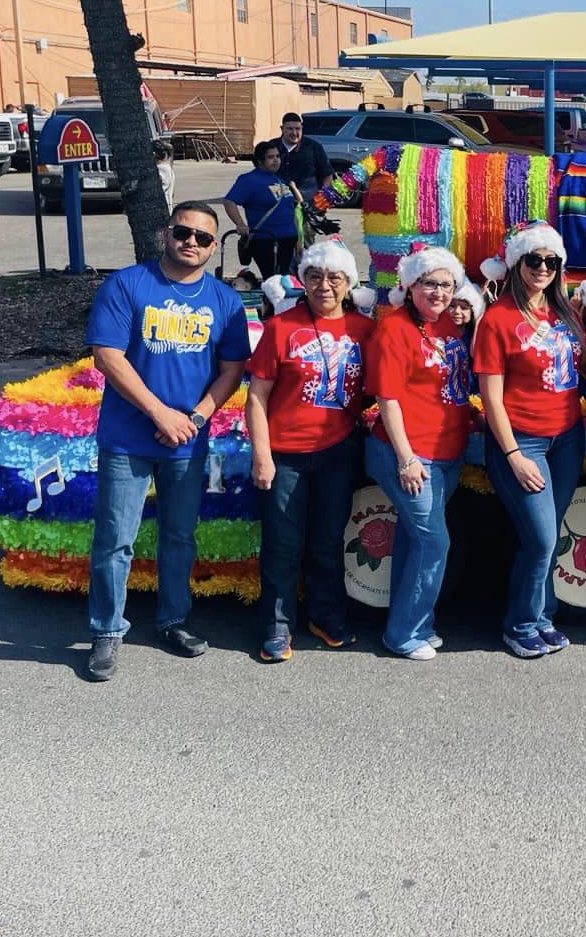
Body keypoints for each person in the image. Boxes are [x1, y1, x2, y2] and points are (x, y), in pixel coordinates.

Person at [82, 202, 250, 682]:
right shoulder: (127, 285)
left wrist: (194, 419)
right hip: (128, 438)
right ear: (166, 234)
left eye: (202, 238)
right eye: (183, 232)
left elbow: (232, 368)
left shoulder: (224, 300)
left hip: (188, 440)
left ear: (214, 247)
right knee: (115, 539)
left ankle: (173, 620)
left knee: (179, 536)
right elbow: (107, 355)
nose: (191, 242)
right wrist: (159, 412)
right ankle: (107, 630)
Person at [246, 240, 376, 663]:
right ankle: (276, 627)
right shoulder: (281, 327)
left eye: (335, 277)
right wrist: (262, 455)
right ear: (303, 280)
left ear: (348, 283)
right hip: (285, 454)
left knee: (327, 540)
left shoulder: (364, 329)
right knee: (283, 545)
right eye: (316, 276)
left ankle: (325, 616)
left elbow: (380, 390)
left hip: (338, 451)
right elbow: (257, 396)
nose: (325, 285)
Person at [475, 220, 585, 659]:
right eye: (534, 260)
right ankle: (519, 624)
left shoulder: (565, 312)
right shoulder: (497, 319)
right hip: (524, 442)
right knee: (540, 539)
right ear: (516, 262)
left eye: (551, 261)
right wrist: (515, 454)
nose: (543, 268)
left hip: (568, 438)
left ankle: (541, 615)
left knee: (548, 535)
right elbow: (491, 399)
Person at [367, 244, 474, 661]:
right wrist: (406, 458)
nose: (438, 292)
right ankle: (403, 634)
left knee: (416, 541)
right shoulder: (394, 328)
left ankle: (416, 623)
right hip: (410, 455)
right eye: (429, 283)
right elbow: (387, 399)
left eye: (446, 285)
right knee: (434, 543)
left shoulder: (448, 324)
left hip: (447, 449)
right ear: (410, 285)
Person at [223, 142, 301, 280]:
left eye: (277, 156)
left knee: (285, 280)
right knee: (273, 280)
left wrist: (298, 240)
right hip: (266, 240)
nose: (276, 160)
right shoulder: (249, 180)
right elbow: (229, 201)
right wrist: (240, 224)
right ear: (259, 161)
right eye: (271, 157)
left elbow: (290, 210)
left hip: (288, 239)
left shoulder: (280, 179)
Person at [268, 113, 331, 198]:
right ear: (282, 129)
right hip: (277, 203)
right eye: (290, 129)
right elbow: (261, 172)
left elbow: (327, 174)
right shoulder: (271, 147)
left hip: (308, 205)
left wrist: (323, 197)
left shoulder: (314, 147)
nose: (294, 133)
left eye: (298, 129)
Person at [156, 144, 176, 210]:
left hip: (161, 204)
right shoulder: (168, 167)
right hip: (167, 202)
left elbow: (161, 187)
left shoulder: (161, 168)